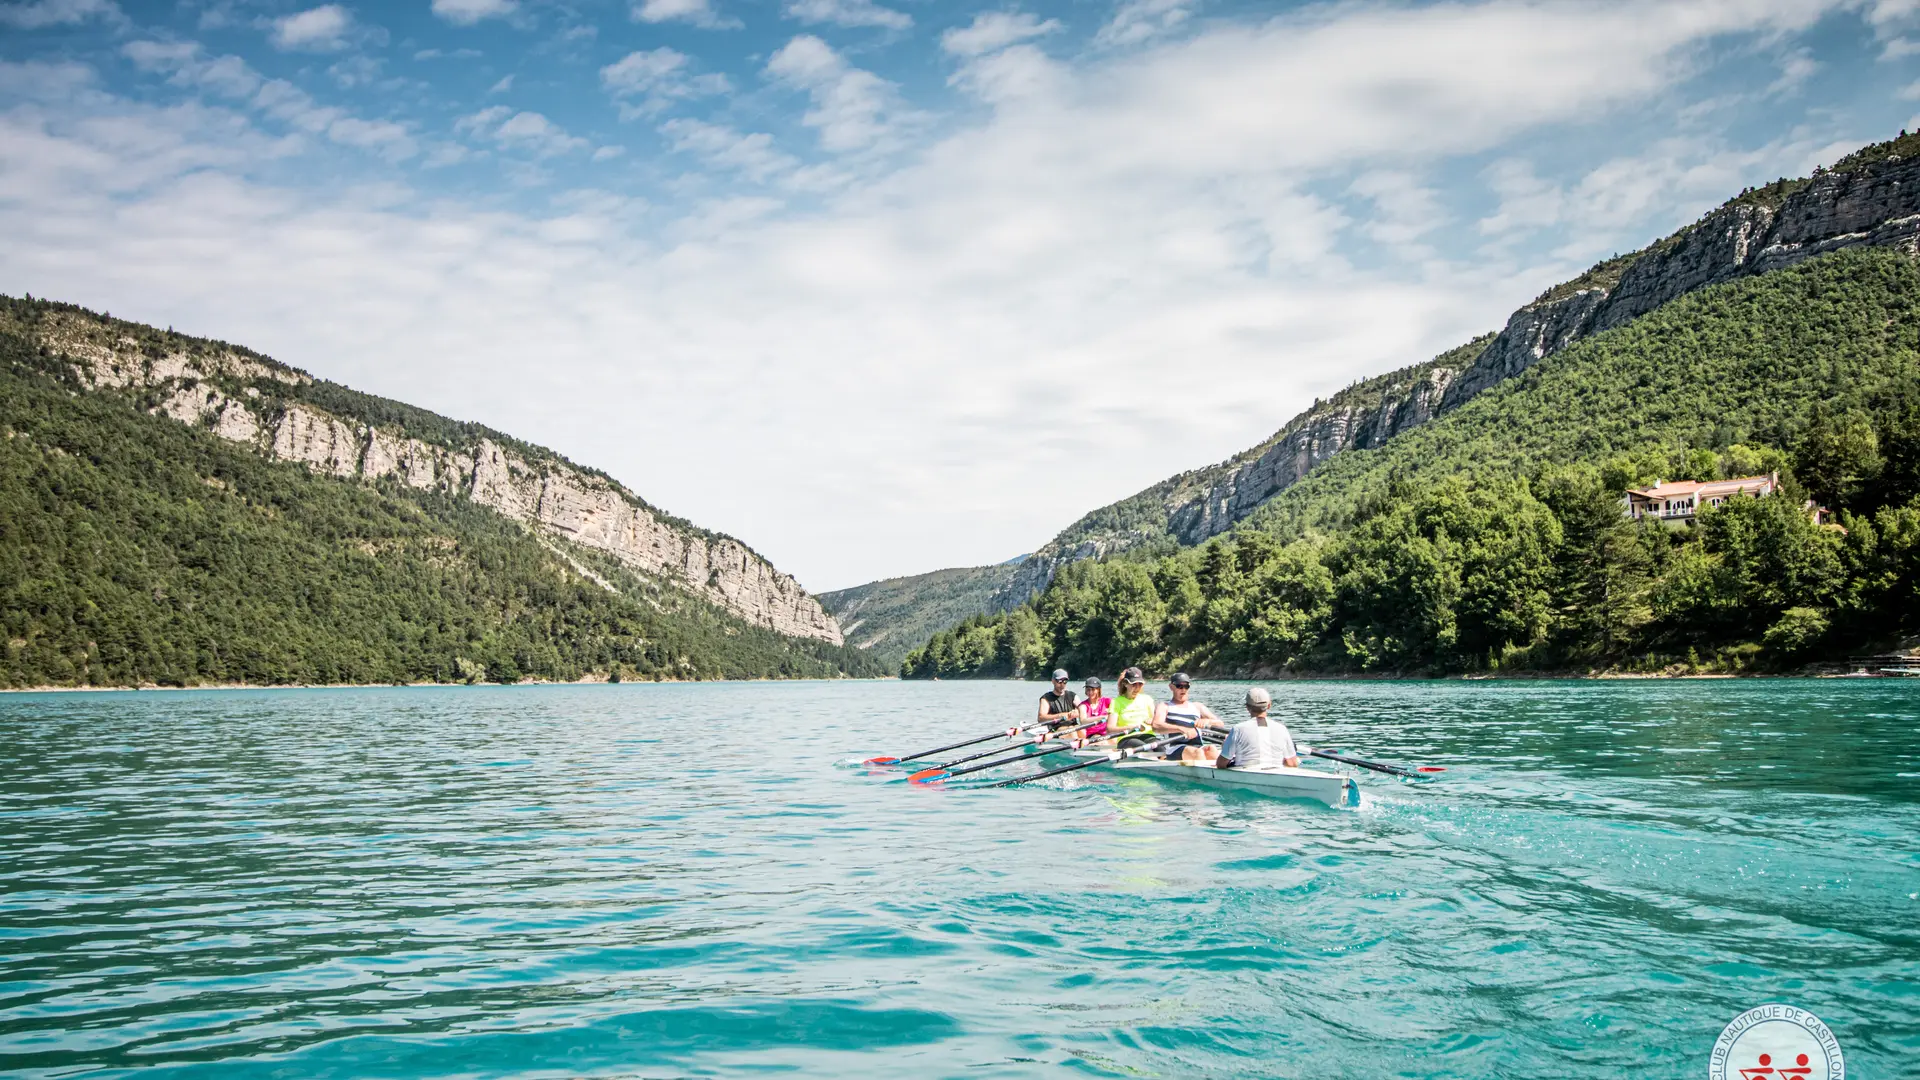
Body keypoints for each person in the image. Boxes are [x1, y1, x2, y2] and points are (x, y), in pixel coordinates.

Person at [1218, 687, 1300, 770]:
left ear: (1247, 707)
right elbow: (1293, 763)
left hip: (1246, 772)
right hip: (1276, 772)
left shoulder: (1238, 729)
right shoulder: (1282, 729)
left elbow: (1221, 764)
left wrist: (1225, 746)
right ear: (1269, 705)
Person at [1154, 672, 1226, 759]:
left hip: (1197, 746)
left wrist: (1207, 721)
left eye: (1186, 686)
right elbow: (1156, 725)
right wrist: (1181, 729)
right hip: (1174, 748)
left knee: (1212, 749)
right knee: (1197, 752)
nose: (1183, 689)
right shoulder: (1164, 706)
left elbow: (1220, 723)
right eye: (1179, 686)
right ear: (1171, 687)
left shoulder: (1197, 706)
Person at [1104, 667, 1158, 747]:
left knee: (1162, 749)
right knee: (1145, 748)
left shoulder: (1147, 699)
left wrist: (1153, 721)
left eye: (1140, 684)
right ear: (1125, 684)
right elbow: (1110, 728)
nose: (1137, 688)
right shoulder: (1116, 702)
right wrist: (1132, 727)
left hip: (1148, 736)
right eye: (1133, 684)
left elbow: (1157, 722)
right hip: (1127, 738)